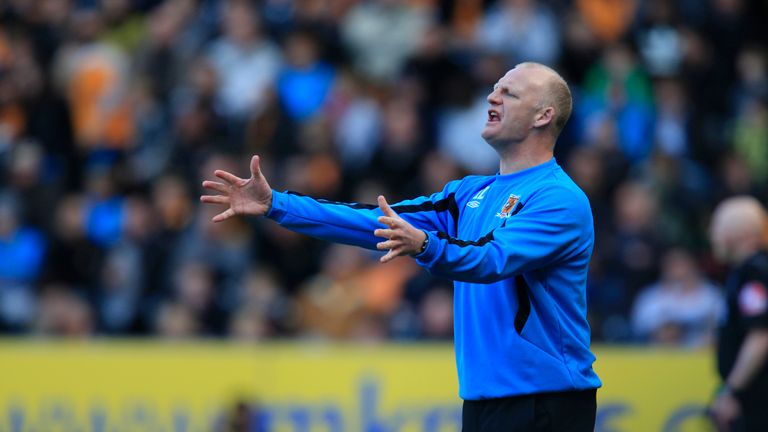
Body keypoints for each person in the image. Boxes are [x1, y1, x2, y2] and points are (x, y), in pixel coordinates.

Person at [201, 62, 601, 431]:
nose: (492, 98)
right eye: (495, 89)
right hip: (484, 399)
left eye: (509, 93)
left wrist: (426, 246)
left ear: (543, 115)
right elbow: (377, 219)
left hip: (546, 400)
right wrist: (277, 204)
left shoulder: (557, 199)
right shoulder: (469, 194)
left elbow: (491, 258)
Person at [709, 197, 768, 432]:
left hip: (757, 401)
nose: (712, 234)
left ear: (739, 231)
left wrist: (732, 390)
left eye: (717, 225)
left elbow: (760, 335)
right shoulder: (744, 272)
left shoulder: (753, 273)